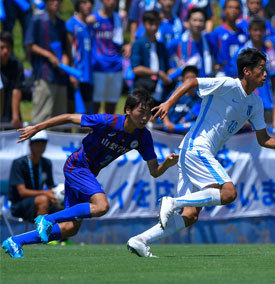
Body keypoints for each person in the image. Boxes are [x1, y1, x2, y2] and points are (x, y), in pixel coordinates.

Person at [127, 48, 275, 258]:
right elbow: (191, 82)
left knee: (190, 215)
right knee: (228, 193)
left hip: (190, 152)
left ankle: (140, 240)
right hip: (196, 147)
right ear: (246, 71)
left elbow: (263, 139)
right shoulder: (227, 84)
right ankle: (172, 202)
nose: (265, 74)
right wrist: (168, 103)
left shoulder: (255, 103)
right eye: (261, 69)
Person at [2, 88, 179, 258]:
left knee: (70, 228)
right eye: (141, 112)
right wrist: (37, 127)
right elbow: (69, 117)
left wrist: (167, 164)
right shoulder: (108, 121)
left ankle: (15, 241)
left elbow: (154, 171)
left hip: (87, 172)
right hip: (77, 166)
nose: (145, 117)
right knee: (102, 206)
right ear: (128, 110)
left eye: (148, 113)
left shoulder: (143, 137)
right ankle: (48, 219)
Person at [24, 0, 70, 124]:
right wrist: (49, 55)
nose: (56, 3)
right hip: (44, 75)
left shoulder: (61, 23)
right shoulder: (37, 20)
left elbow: (66, 49)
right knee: (41, 119)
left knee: (61, 120)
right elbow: (29, 44)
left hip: (60, 76)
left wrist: (64, 61)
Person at [89, 0, 130, 114]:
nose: (111, 2)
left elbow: (119, 41)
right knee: (95, 106)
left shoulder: (118, 19)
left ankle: (108, 132)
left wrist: (127, 46)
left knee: (111, 106)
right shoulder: (93, 18)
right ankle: (92, 131)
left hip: (116, 67)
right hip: (98, 67)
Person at [8, 130, 57, 222]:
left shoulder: (47, 163)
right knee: (43, 200)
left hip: (38, 200)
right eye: (37, 143)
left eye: (43, 143)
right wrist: (45, 193)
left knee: (60, 201)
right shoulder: (19, 163)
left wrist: (57, 194)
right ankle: (41, 235)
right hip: (19, 204)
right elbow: (22, 192)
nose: (41, 146)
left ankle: (61, 235)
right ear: (30, 145)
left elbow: (51, 186)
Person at [130, 10, 172, 106]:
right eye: (151, 24)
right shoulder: (138, 43)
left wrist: (178, 73)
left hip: (160, 89)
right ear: (144, 24)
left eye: (156, 24)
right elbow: (136, 69)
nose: (154, 27)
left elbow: (167, 68)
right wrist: (157, 73)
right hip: (143, 88)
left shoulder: (161, 45)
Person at [66, 0, 95, 113]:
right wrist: (71, 72)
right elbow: (68, 50)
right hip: (76, 73)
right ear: (78, 4)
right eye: (84, 2)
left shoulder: (90, 26)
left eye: (90, 3)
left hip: (88, 75)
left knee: (86, 116)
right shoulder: (71, 23)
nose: (88, 5)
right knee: (70, 113)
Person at [167, 8, 213, 78]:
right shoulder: (178, 41)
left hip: (204, 82)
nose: (197, 24)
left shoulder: (209, 40)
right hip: (185, 83)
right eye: (194, 20)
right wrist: (171, 68)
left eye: (201, 21)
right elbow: (166, 55)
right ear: (188, 21)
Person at [209, 0, 247, 77]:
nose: (234, 10)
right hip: (223, 75)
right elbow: (211, 54)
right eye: (230, 7)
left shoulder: (243, 32)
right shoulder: (217, 32)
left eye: (237, 8)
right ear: (224, 10)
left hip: (240, 76)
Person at [162, 65, 201, 132]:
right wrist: (167, 122)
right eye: (187, 78)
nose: (190, 82)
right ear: (182, 80)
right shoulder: (174, 94)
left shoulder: (199, 100)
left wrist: (175, 127)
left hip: (184, 132)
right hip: (167, 130)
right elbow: (163, 109)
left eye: (193, 78)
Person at [0, 31, 24, 128]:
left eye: (8, 48)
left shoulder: (16, 65)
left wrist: (15, 115)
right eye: (2, 48)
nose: (5, 51)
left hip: (9, 111)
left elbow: (17, 90)